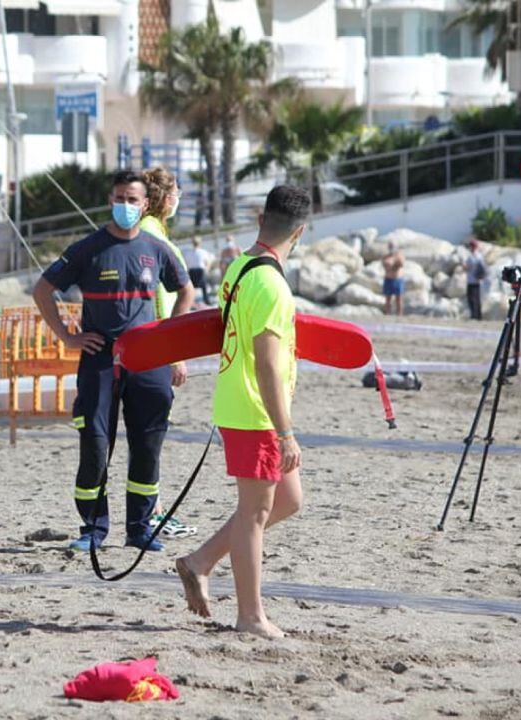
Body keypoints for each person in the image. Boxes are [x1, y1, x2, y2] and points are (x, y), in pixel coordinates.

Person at [174, 185, 311, 640]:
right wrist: (285, 431)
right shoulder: (273, 284)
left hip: (236, 400)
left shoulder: (239, 266)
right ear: (301, 232)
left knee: (288, 500)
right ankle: (250, 617)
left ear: (260, 220)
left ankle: (200, 561)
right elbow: (268, 363)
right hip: (255, 411)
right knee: (254, 513)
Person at [33, 170, 195, 553]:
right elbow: (43, 289)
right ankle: (93, 528)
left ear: (144, 204)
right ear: (110, 200)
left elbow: (186, 290)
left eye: (132, 200)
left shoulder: (157, 249)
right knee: (94, 442)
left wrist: (171, 339)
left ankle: (139, 529)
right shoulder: (88, 247)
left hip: (149, 358)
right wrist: (69, 336)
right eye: (119, 198)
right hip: (99, 359)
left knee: (148, 444)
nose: (125, 205)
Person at [139, 167, 197, 540]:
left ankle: (153, 510)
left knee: (151, 434)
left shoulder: (154, 231)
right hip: (154, 349)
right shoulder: (149, 233)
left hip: (155, 346)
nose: (178, 197)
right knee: (150, 434)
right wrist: (173, 351)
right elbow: (160, 298)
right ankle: (152, 513)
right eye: (175, 190)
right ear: (162, 196)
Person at [183, 238, 214, 306]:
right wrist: (206, 270)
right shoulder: (203, 252)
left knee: (191, 288)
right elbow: (207, 263)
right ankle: (207, 301)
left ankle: (191, 303)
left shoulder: (188, 252)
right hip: (200, 271)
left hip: (191, 271)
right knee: (204, 286)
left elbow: (186, 263)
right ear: (200, 243)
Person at [464, 239, 487, 321]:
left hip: (472, 280)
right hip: (477, 280)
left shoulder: (472, 257)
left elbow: (468, 267)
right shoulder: (480, 256)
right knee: (477, 298)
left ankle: (474, 315)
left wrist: (464, 267)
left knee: (472, 298)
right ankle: (478, 316)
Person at [381, 240, 405, 316]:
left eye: (393, 246)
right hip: (388, 279)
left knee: (399, 298)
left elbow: (401, 264)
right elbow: (386, 265)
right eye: (390, 246)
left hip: (398, 279)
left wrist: (394, 261)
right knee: (388, 298)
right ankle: (388, 313)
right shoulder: (386, 256)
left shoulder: (399, 255)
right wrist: (392, 263)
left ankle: (400, 314)